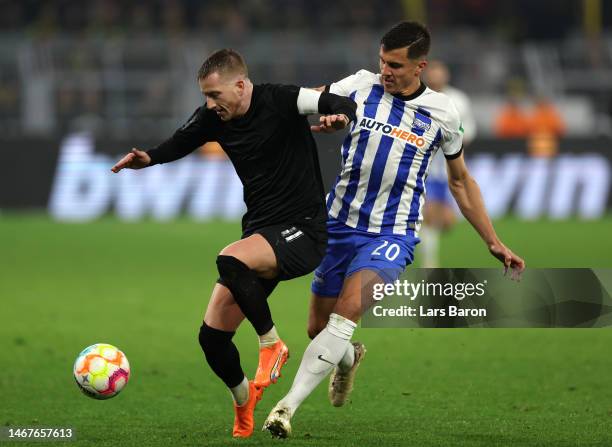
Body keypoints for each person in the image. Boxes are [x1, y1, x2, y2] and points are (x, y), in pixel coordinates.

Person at [263, 21, 525, 438]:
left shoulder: (443, 112)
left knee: (347, 311)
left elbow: (460, 181)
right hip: (335, 225)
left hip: (392, 233)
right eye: (383, 61)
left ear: (419, 66)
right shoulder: (359, 85)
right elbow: (307, 101)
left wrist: (492, 241)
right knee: (319, 328)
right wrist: (330, 115)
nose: (386, 71)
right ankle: (349, 359)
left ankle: (285, 409)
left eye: (396, 65)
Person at [110, 49, 357, 438]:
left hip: (303, 231)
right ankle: (244, 401)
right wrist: (150, 158)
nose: (210, 104)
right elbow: (181, 141)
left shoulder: (281, 99)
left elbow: (336, 101)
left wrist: (339, 116)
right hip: (260, 233)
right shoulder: (215, 118)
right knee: (211, 338)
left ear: (241, 85)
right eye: (206, 96)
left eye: (215, 95)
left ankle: (271, 343)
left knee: (230, 259)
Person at [420, 60, 477, 268]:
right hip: (427, 167)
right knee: (430, 216)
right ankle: (429, 263)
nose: (436, 78)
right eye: (432, 74)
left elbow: (469, 129)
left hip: (450, 166)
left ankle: (414, 226)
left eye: (439, 73)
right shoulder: (419, 98)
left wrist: (452, 138)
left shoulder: (458, 100)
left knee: (447, 222)